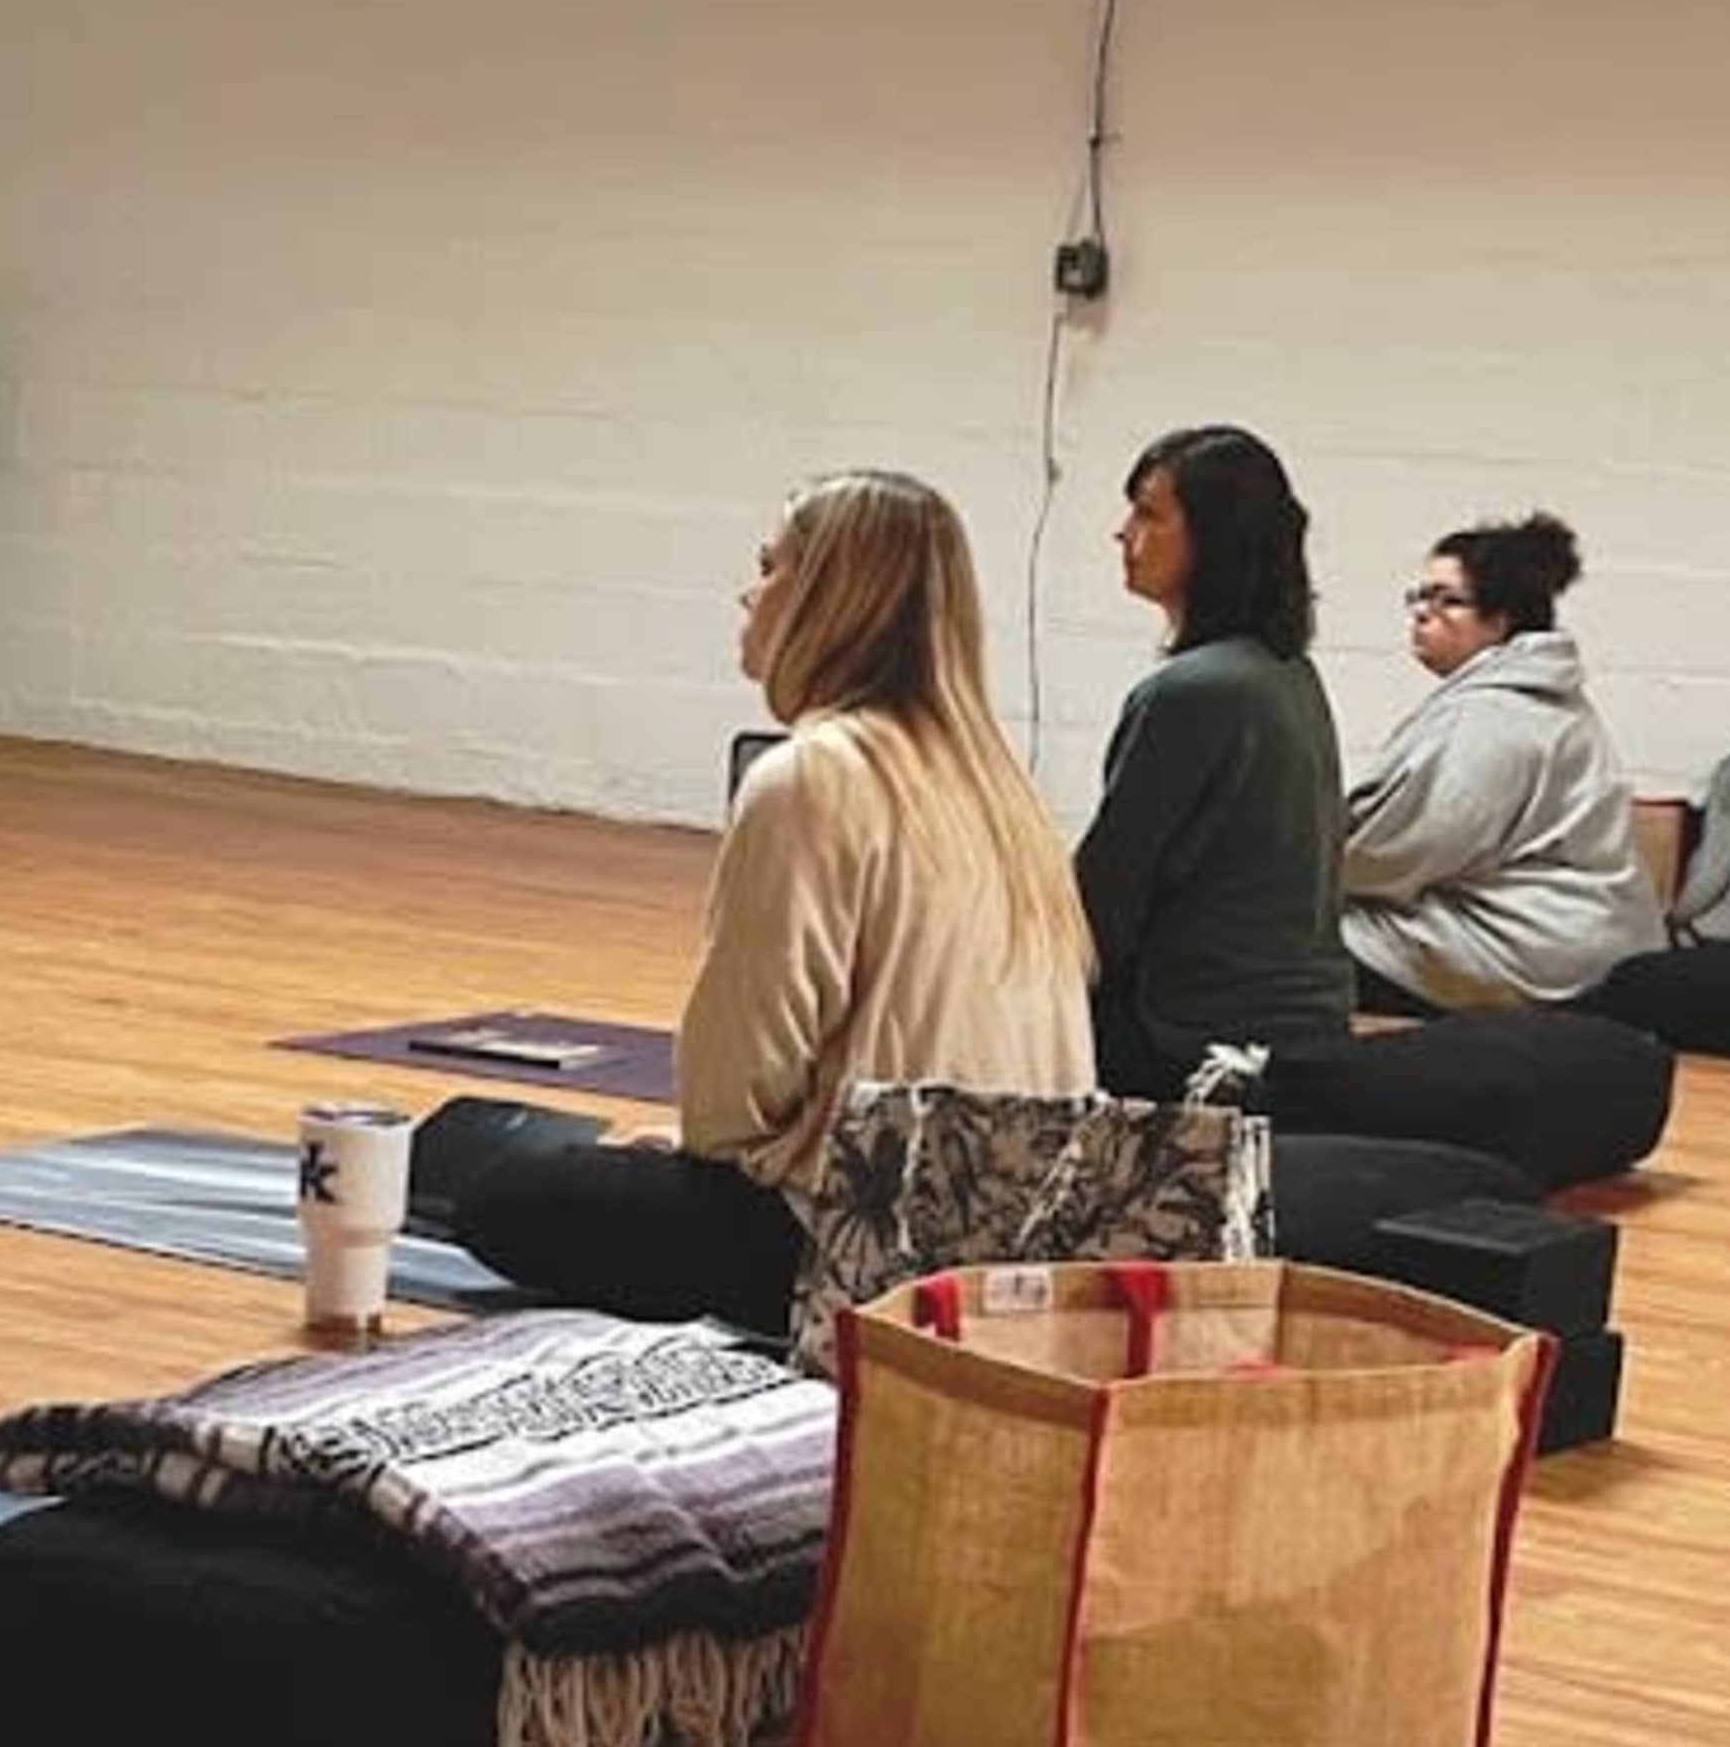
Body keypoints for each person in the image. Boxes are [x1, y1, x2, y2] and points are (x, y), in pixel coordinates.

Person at [450, 471, 1093, 1330]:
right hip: (1014, 1248)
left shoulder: (809, 778)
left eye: (770, 565)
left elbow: (740, 1079)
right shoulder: (1000, 788)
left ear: (831, 595)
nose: (748, 593)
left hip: (856, 1250)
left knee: (504, 1193)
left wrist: (703, 1159)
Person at [1077, 424, 1357, 1099]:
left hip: (1192, 1033)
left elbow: (1104, 901)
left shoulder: (1192, 690)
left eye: (1148, 513)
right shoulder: (1287, 671)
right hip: (1300, 1021)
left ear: (1214, 536)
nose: (1123, 533)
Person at [1340, 512, 1667, 1013]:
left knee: (1285, 938)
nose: (1422, 614)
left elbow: (1393, 856)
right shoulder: (1541, 699)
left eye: (1447, 601)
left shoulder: (1489, 716)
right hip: (1584, 940)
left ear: (1500, 620)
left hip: (1529, 952)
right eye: (1419, 597)